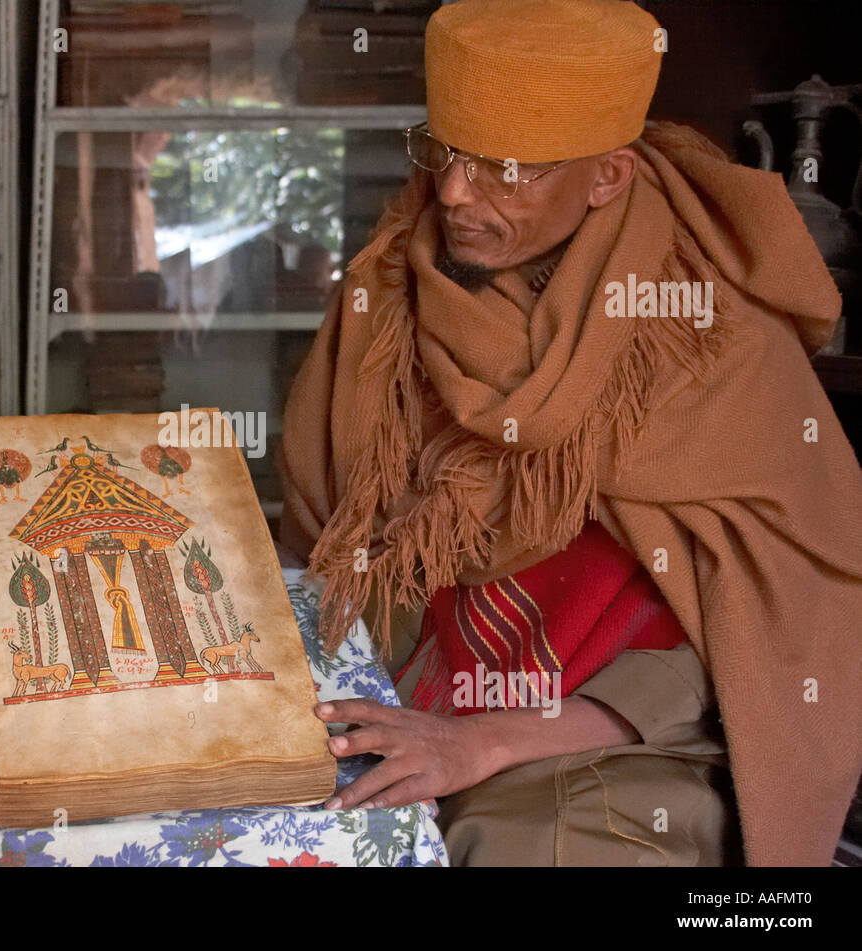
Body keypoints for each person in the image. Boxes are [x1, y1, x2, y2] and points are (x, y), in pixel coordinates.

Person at [279, 0, 862, 866]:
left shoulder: (714, 340)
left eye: (505, 171)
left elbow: (782, 627)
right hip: (406, 683)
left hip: (630, 738)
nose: (452, 195)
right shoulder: (390, 296)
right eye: (441, 152)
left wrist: (483, 744)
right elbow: (334, 548)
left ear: (608, 177)